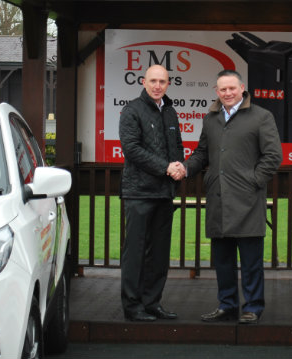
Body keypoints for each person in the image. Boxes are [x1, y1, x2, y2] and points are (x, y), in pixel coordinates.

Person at [178, 69, 282, 324]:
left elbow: (273, 156)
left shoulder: (261, 117)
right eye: (222, 89)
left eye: (232, 88)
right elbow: (202, 153)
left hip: (248, 201)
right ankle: (227, 306)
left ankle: (253, 307)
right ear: (216, 91)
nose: (227, 93)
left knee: (251, 262)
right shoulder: (210, 118)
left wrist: (253, 181)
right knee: (222, 261)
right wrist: (185, 167)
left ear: (242, 88)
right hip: (217, 199)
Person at [118, 64, 184, 322]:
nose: (158, 86)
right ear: (143, 81)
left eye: (163, 82)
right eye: (153, 81)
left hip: (163, 194)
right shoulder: (132, 110)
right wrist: (166, 167)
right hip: (138, 194)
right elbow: (131, 149)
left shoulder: (170, 111)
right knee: (135, 253)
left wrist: (178, 169)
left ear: (168, 84)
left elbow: (176, 146)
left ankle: (152, 303)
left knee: (158, 254)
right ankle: (132, 307)